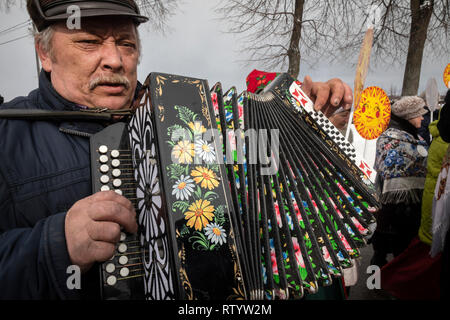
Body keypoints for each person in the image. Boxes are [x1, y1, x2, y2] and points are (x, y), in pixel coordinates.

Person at [0, 0, 356, 300]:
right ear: (44, 53)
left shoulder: (187, 115)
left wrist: (311, 125)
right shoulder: (8, 134)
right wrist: (53, 246)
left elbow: (261, 168)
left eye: (126, 43)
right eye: (90, 42)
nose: (115, 60)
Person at [370, 96, 429, 268]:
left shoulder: (416, 138)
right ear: (409, 116)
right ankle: (374, 284)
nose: (423, 118)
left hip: (410, 206)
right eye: (419, 114)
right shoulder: (390, 139)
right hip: (391, 207)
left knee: (401, 251)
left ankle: (393, 285)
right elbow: (383, 168)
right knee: (380, 251)